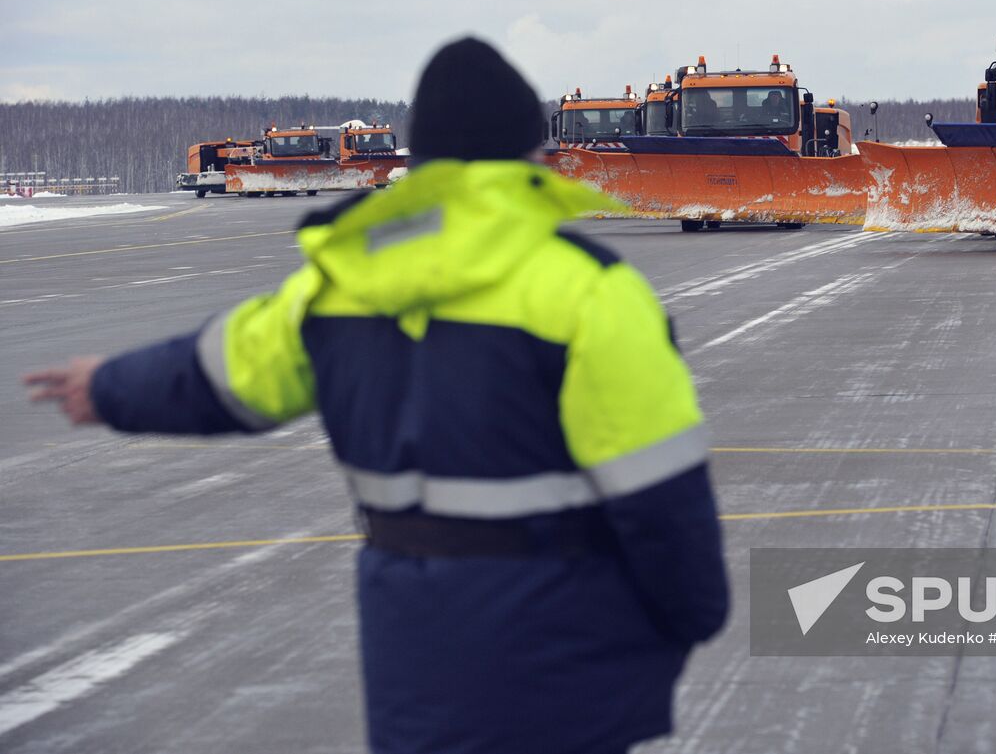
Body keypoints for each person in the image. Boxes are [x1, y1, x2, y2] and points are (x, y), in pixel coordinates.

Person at [25, 37, 731, 754]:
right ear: (533, 153)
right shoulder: (590, 290)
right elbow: (661, 498)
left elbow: (218, 370)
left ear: (420, 157)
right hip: (565, 665)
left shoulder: (339, 280)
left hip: (412, 655)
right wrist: (695, 614)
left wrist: (107, 385)